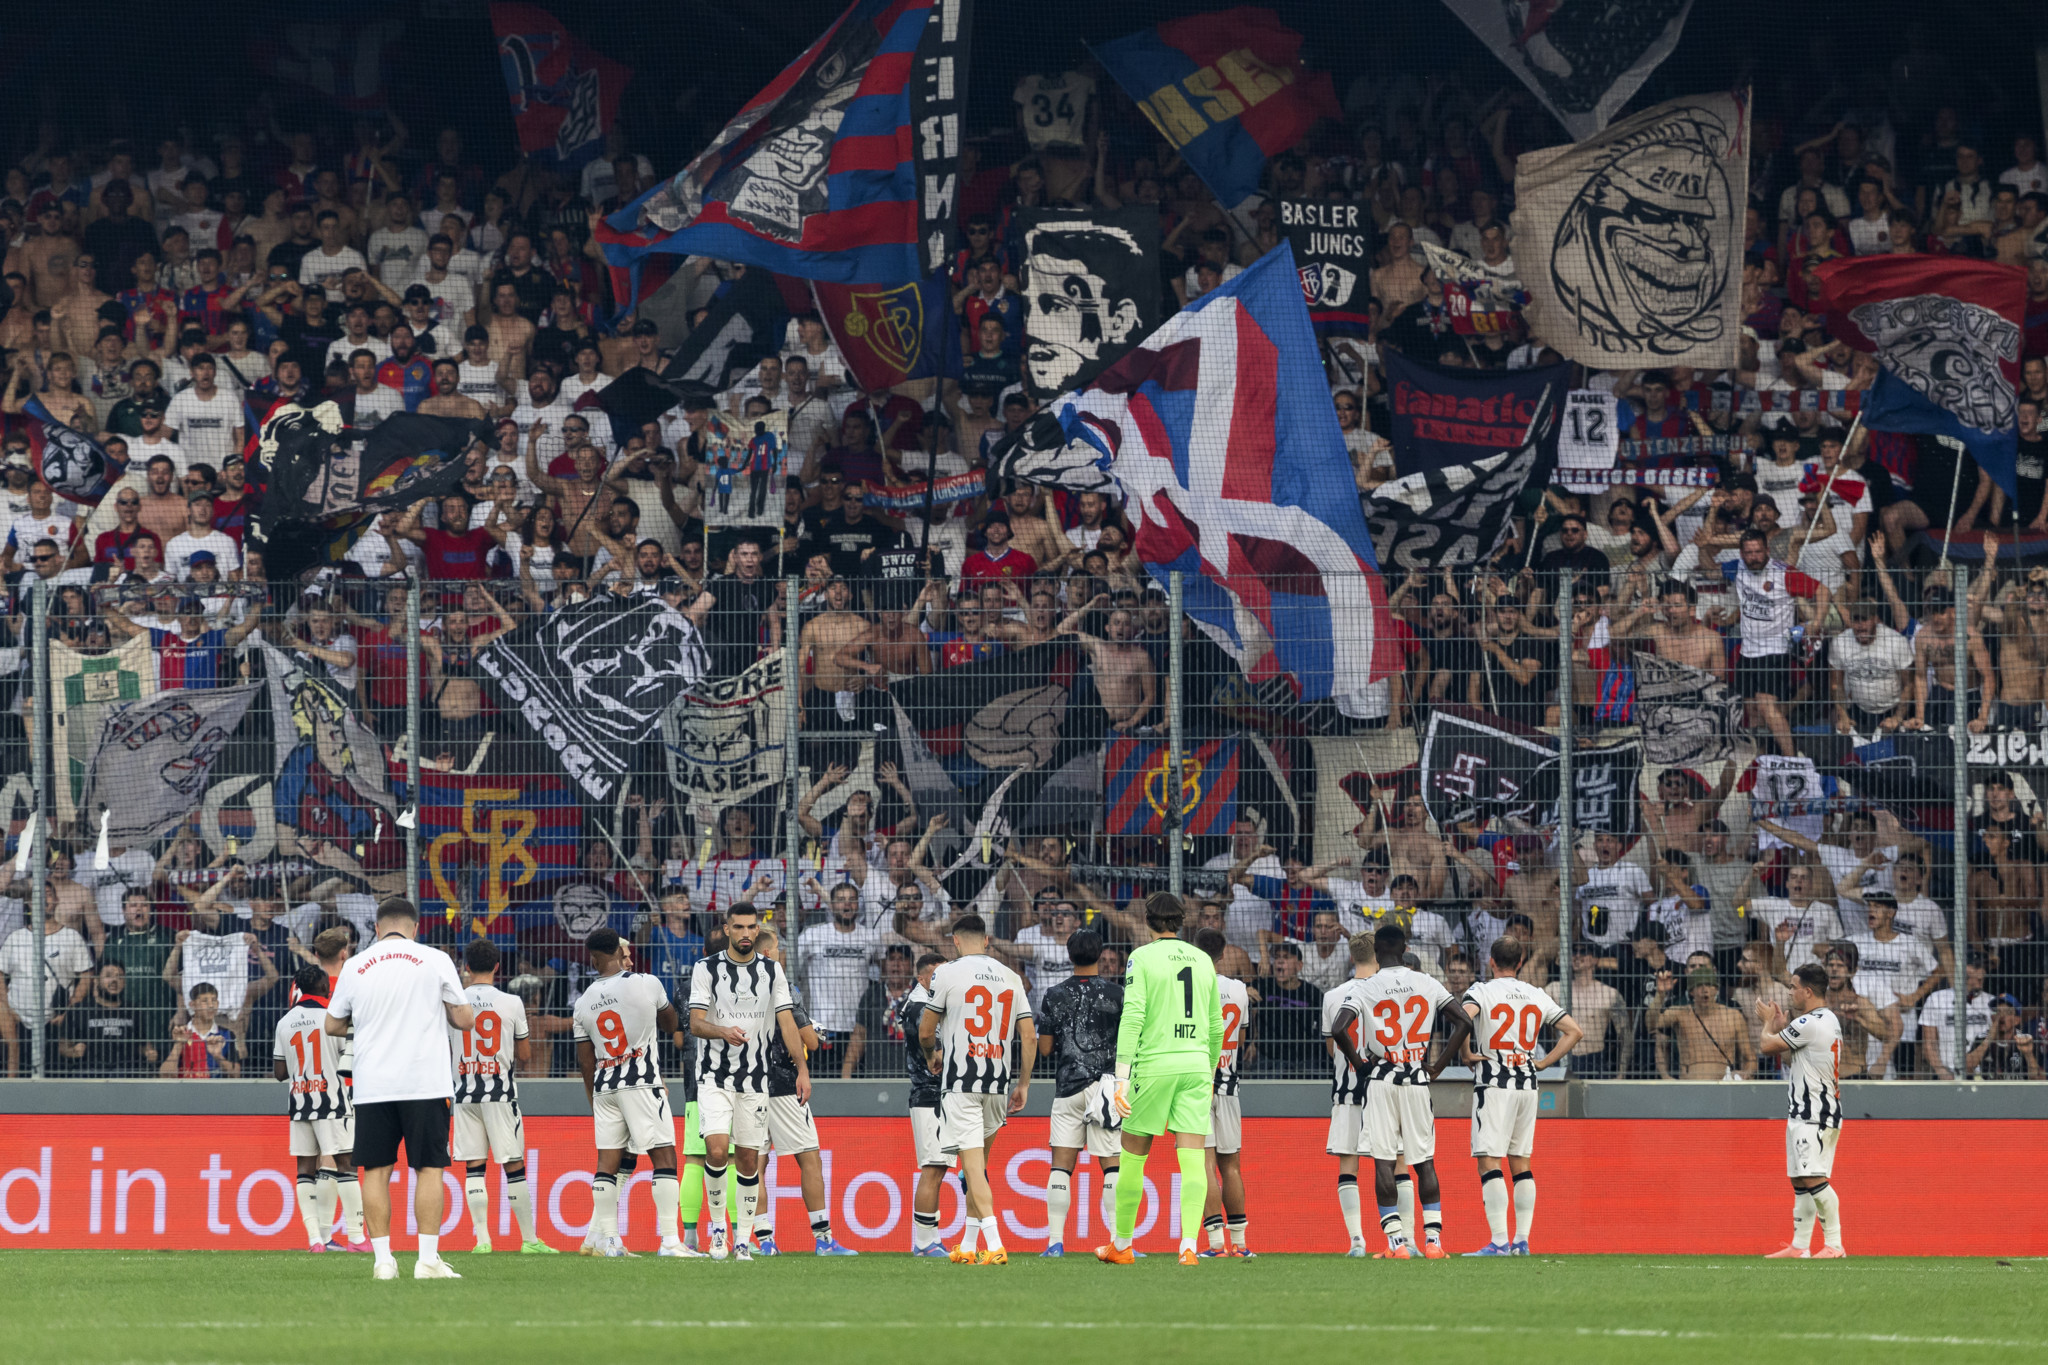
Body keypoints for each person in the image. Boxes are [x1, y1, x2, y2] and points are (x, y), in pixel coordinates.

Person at [322, 897, 476, 1281]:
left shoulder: (356, 965)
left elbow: (332, 1025)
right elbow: (464, 1019)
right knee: (429, 1168)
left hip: (374, 1083)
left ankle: (383, 1262)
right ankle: (426, 1260)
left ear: (376, 928)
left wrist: (368, 1022)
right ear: (415, 927)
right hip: (425, 1081)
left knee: (375, 1171)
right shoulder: (435, 959)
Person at [1327, 924, 1472, 1259]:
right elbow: (1464, 1021)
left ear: (1376, 951)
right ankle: (1433, 1242)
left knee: (1383, 1160)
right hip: (1417, 1077)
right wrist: (1438, 1066)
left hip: (1381, 1079)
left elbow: (1338, 1028)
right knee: (1424, 1160)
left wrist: (1360, 1064)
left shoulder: (1368, 986)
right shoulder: (1426, 981)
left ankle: (1396, 1244)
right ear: (1404, 947)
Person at [1096, 892, 1219, 1267]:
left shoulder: (1142, 958)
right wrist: (1208, 1070)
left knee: (1132, 1157)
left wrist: (1121, 1076)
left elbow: (1133, 1016)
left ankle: (1122, 1244)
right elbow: (1215, 1025)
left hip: (1154, 1065)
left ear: (1149, 922)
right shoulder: (1202, 959)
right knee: (1193, 1158)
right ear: (1180, 921)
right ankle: (1188, 1246)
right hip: (1196, 1064)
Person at [687, 902, 807, 1261]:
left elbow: (787, 1022)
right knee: (717, 1150)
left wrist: (802, 1068)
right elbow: (694, 1023)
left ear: (758, 930)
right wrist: (723, 1031)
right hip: (714, 1076)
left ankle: (743, 1240)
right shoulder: (706, 969)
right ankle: (718, 1230)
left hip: (756, 1080)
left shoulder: (772, 971)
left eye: (750, 927)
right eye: (737, 927)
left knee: (749, 1161)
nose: (744, 933)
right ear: (727, 929)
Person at [919, 913, 1036, 1264]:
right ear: (986, 941)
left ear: (955, 941)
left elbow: (926, 1032)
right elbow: (1028, 1035)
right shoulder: (1012, 977)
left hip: (961, 1083)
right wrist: (1025, 1084)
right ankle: (969, 1245)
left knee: (971, 1167)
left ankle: (995, 1242)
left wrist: (931, 1055)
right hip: (998, 1083)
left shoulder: (947, 973)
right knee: (978, 1166)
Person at [1458, 937, 1582, 1256]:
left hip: (1494, 1084)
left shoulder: (1481, 991)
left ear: (1491, 961)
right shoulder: (1535, 994)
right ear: (1521, 961)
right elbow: (1574, 1031)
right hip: (1527, 1085)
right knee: (1521, 1161)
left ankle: (1499, 1240)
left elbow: (1462, 1017)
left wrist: (1466, 1052)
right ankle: (1522, 1241)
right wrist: (1542, 1063)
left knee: (1488, 1159)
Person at [573, 927, 685, 1258]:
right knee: (664, 1157)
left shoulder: (582, 1003)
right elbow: (670, 1023)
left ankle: (609, 1241)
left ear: (593, 958)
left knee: (606, 1165)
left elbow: (585, 1063)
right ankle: (669, 1241)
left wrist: (594, 1101)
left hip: (605, 1086)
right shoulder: (646, 982)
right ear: (620, 952)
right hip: (641, 1081)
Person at [450, 939, 552, 1255]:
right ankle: (529, 1240)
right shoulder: (511, 1002)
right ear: (498, 967)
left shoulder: (453, 1003)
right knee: (514, 1166)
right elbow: (524, 1054)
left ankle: (482, 1241)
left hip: (464, 1094)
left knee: (474, 1167)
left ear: (466, 967)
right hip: (500, 1092)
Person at [1034, 928, 1124, 1258]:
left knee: (1061, 1166)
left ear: (1069, 956)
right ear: (1100, 954)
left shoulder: (1054, 994)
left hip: (1069, 1086)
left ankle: (1055, 1243)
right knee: (1112, 1167)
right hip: (1106, 1089)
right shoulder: (1117, 994)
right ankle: (1119, 1241)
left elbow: (1044, 1049)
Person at [1758, 963, 1848, 1259]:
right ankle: (1800, 1247)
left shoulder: (1811, 1022)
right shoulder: (1825, 1019)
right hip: (1807, 1111)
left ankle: (1835, 1245)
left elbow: (1767, 1046)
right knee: (1800, 1179)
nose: (1789, 992)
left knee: (1813, 1179)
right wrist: (1783, 1027)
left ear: (1807, 991)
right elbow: (1790, 1059)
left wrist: (1769, 1023)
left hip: (1815, 1113)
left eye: (1793, 987)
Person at [274, 963, 356, 1253]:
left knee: (304, 1170)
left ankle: (315, 1241)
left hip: (299, 1103)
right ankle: (357, 1238)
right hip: (333, 1102)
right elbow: (350, 1060)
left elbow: (280, 1072)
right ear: (324, 987)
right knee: (347, 1165)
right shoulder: (333, 1020)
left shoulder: (284, 1022)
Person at [1198, 926, 1254, 1257]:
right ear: (1223, 955)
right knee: (1231, 1166)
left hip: (1198, 1085)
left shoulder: (1188, 988)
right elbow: (1242, 1038)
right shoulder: (1238, 990)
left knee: (1204, 1163)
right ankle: (1241, 1244)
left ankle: (1216, 1244)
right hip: (1230, 1083)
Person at [897, 951, 956, 1256]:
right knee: (932, 1168)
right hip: (929, 1094)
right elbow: (933, 1052)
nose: (944, 979)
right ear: (922, 979)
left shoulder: (928, 1003)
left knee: (939, 1169)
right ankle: (923, 1242)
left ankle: (931, 1237)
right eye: (937, 975)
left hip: (936, 1096)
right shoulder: (920, 1007)